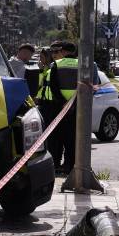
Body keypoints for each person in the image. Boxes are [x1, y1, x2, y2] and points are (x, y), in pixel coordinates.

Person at [40, 41, 79, 174]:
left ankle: (55, 164)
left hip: (58, 107)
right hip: (76, 108)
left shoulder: (57, 64)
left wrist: (63, 102)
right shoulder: (82, 64)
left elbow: (54, 86)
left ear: (63, 51)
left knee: (55, 138)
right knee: (71, 139)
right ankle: (69, 166)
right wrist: (73, 102)